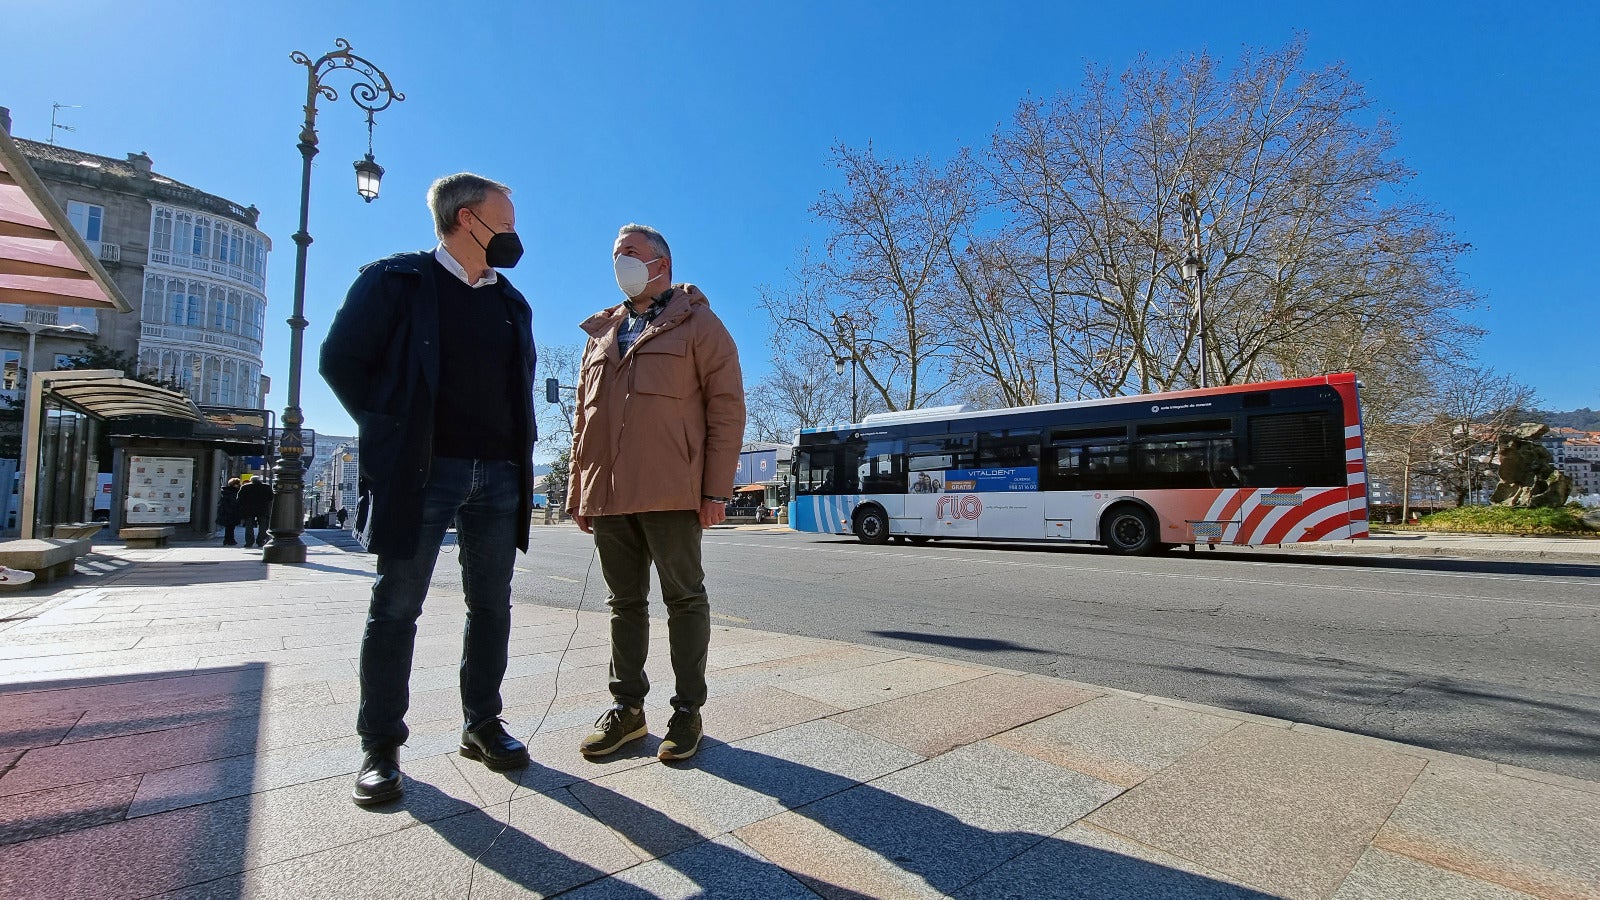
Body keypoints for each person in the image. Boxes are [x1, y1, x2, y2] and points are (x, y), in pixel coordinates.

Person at [321, 173, 538, 807]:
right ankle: (381, 749)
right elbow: (340, 360)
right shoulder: (396, 282)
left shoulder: (511, 302)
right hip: (425, 471)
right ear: (468, 220)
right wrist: (393, 429)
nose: (515, 235)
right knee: (396, 608)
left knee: (490, 607)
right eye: (507, 220)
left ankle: (481, 724)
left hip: (499, 475)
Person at [569, 223, 745, 762]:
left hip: (673, 492)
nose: (620, 262)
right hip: (610, 496)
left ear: (661, 263)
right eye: (615, 254)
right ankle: (627, 710)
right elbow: (584, 418)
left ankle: (687, 712)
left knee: (684, 600)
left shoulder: (698, 323)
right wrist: (579, 489)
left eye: (630, 254)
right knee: (624, 604)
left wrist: (716, 490)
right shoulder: (601, 333)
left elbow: (726, 409)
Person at [237, 473, 274, 548]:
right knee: (263, 526)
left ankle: (249, 542)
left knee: (249, 526)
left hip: (249, 509)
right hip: (263, 509)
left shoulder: (245, 487)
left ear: (251, 480)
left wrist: (243, 506)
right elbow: (271, 497)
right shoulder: (266, 487)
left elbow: (239, 498)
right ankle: (260, 541)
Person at [216, 478, 241, 546]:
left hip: (226, 512)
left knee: (229, 527)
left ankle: (228, 540)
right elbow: (234, 502)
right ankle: (230, 540)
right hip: (231, 512)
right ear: (235, 485)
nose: (239, 485)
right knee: (231, 527)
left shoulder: (226, 491)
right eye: (238, 484)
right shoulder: (234, 492)